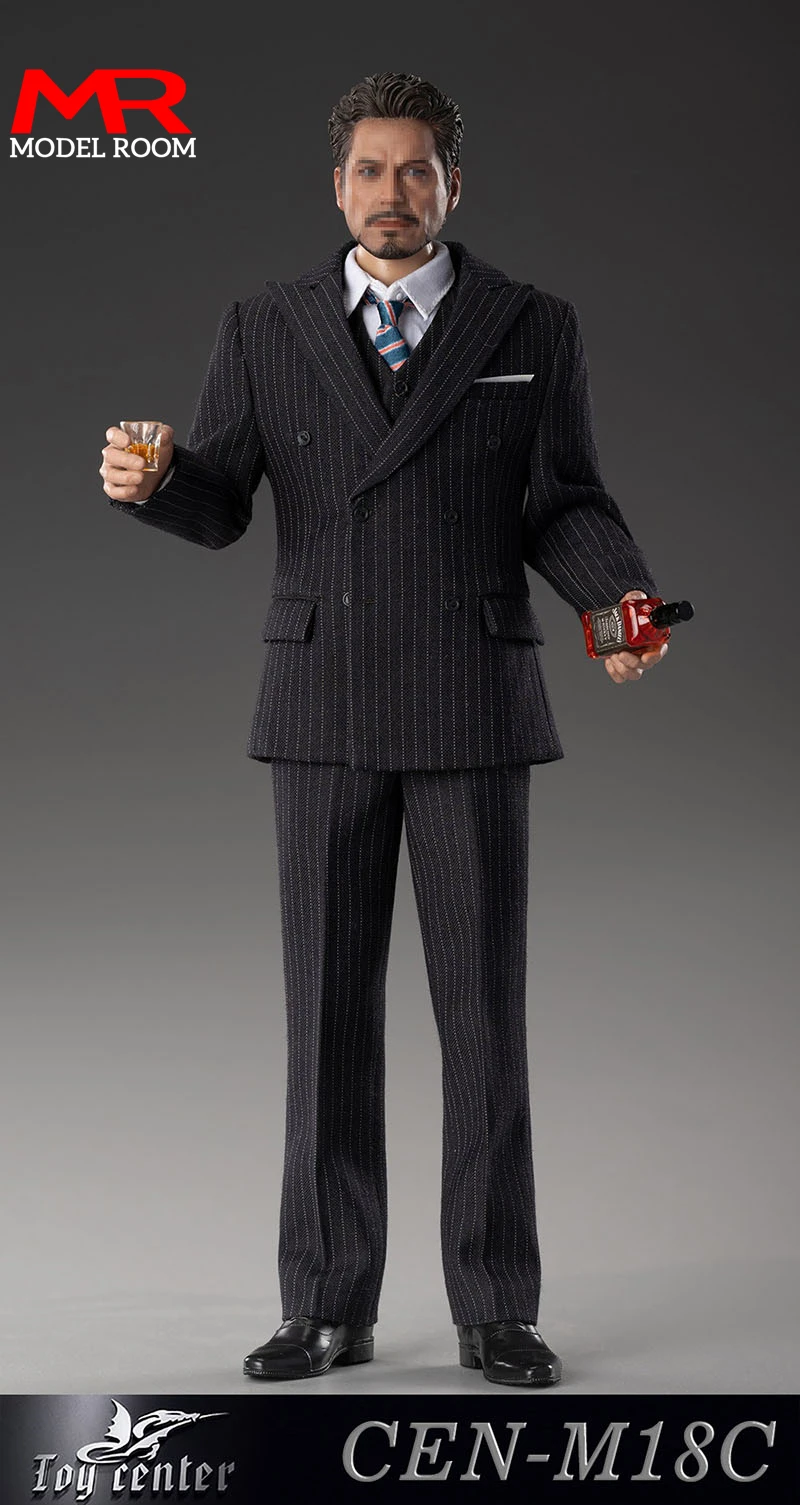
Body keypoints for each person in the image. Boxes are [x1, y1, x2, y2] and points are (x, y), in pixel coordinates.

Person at [100, 71, 667, 1387]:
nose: (392, 193)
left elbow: (565, 499)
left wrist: (617, 603)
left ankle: (495, 1309)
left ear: (455, 184)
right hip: (323, 705)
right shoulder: (266, 324)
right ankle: (325, 1307)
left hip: (472, 698)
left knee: (484, 1021)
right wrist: (157, 479)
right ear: (336, 183)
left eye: (417, 170)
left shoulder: (530, 322)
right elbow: (223, 503)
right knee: (327, 1025)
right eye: (370, 169)